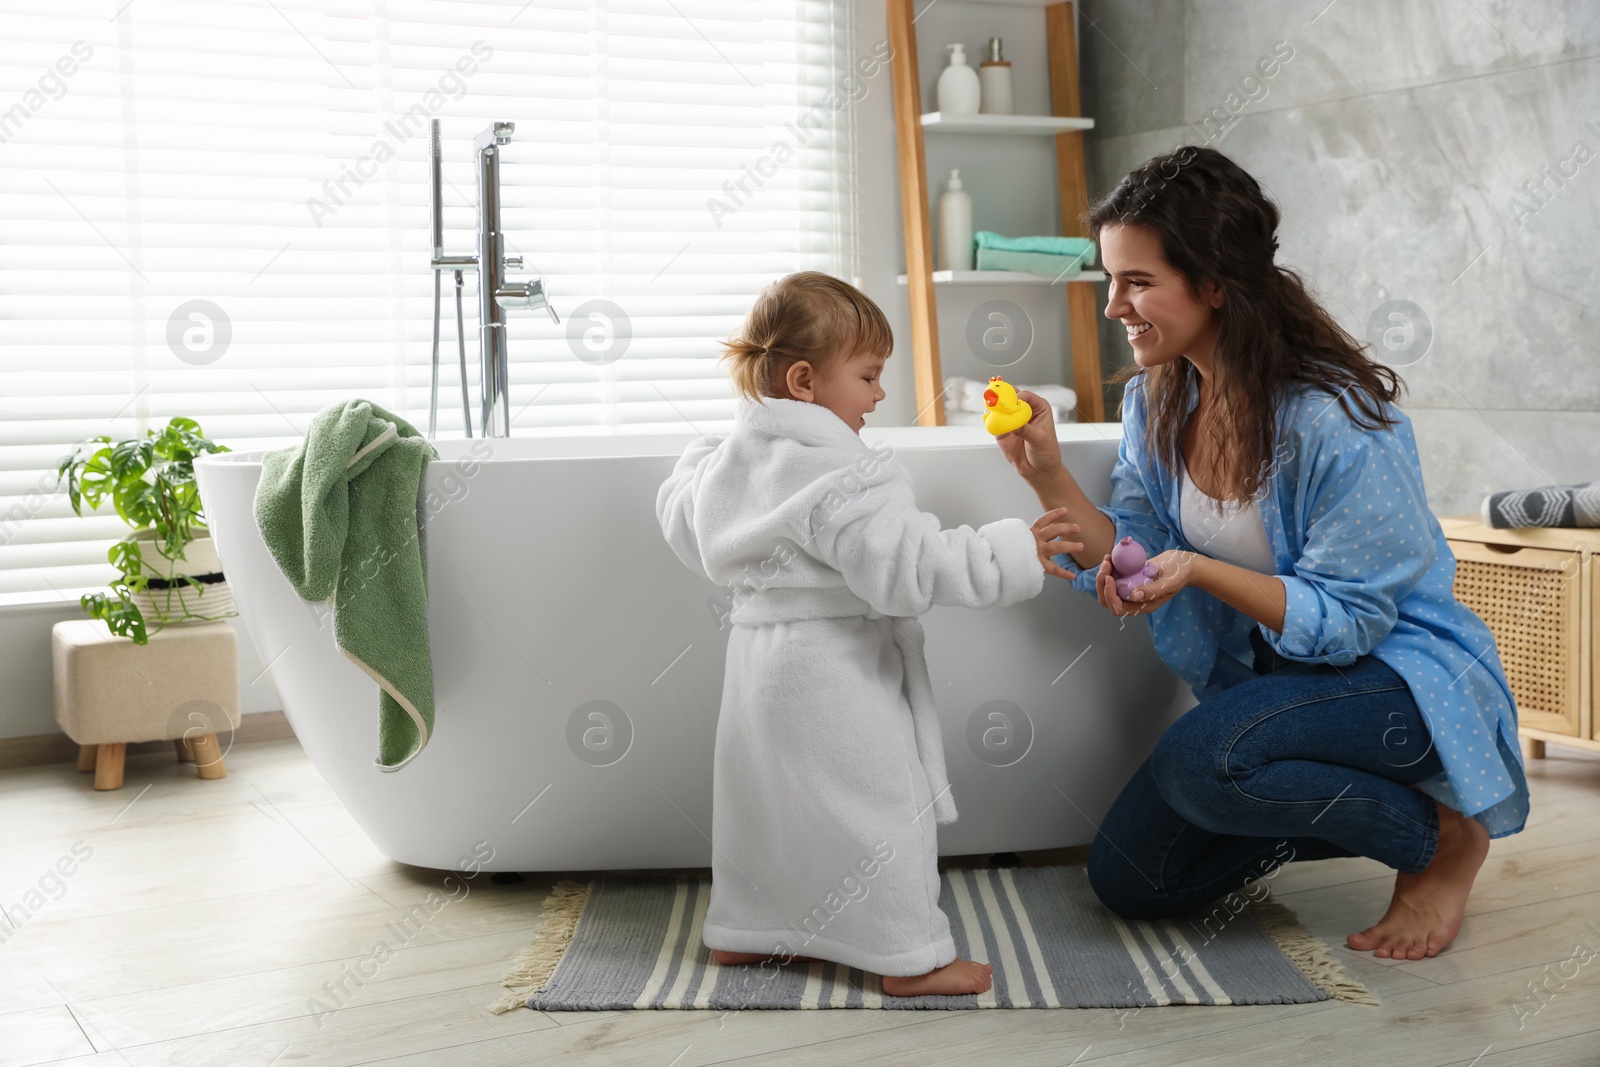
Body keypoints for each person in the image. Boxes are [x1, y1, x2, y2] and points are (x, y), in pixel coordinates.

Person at [1001, 146, 1528, 961]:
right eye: (1111, 279)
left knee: (1202, 756)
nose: (1114, 307)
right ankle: (1323, 802)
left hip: (1400, 683)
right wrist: (1047, 475)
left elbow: (1352, 621)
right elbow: (1145, 550)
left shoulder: (1338, 422)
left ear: (1215, 284)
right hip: (1287, 688)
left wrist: (1202, 571)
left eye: (1137, 282)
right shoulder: (1158, 397)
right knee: (1132, 878)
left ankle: (1441, 836)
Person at [656, 271, 1064, 995]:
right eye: (870, 375)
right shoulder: (844, 470)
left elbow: (683, 518)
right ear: (806, 381)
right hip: (832, 669)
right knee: (882, 806)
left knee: (767, 807)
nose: (879, 395)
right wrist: (1011, 553)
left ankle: (747, 933)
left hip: (758, 668)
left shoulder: (735, 459)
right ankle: (911, 957)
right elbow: (908, 568)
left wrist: (700, 460)